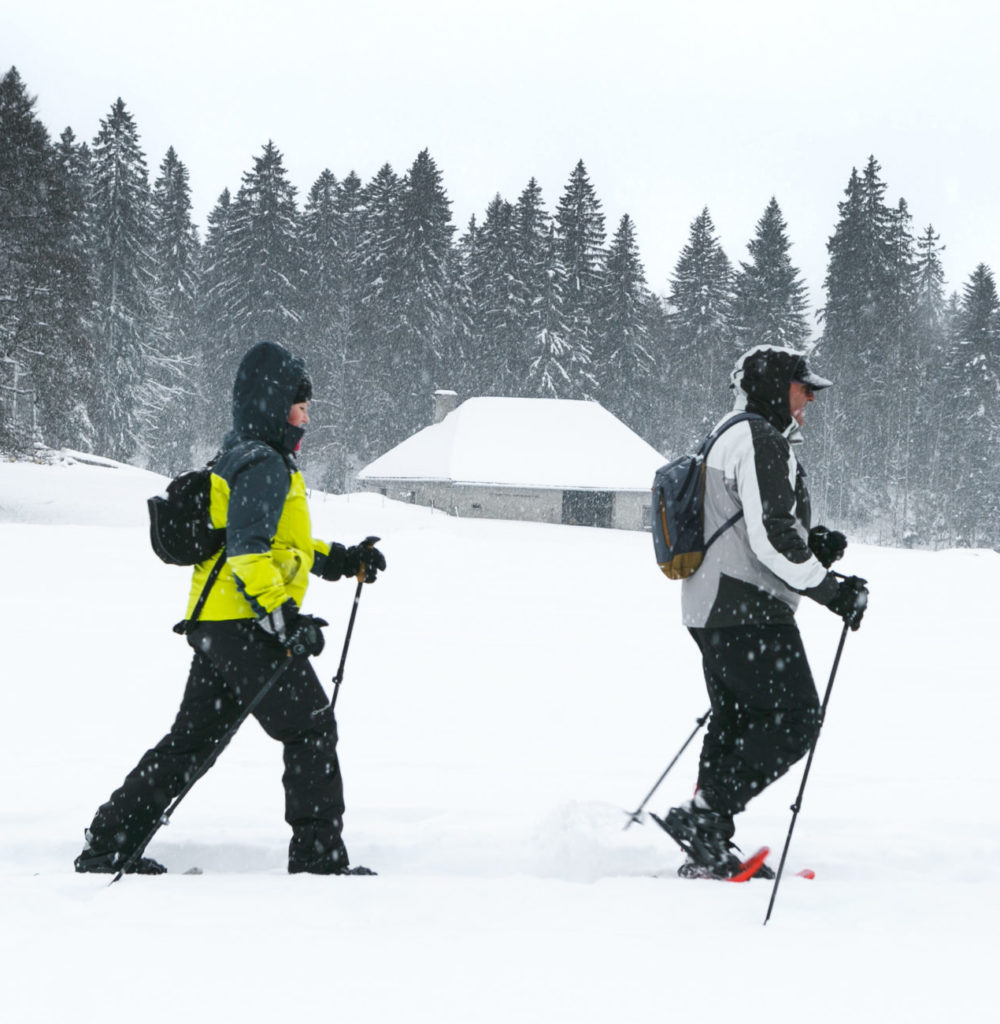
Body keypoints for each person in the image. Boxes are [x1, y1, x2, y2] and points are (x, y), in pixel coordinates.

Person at [75, 340, 386, 876]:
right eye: (300, 404)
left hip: (219, 626)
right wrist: (282, 619)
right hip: (246, 627)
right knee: (311, 729)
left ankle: (109, 842)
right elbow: (247, 552)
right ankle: (318, 859)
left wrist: (341, 560)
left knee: (190, 743)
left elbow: (280, 544)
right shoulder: (264, 463)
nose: (307, 416)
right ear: (273, 404)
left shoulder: (244, 455)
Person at [653, 345, 868, 879]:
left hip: (713, 606)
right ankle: (704, 819)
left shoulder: (728, 435)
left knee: (736, 721)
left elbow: (755, 526)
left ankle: (706, 838)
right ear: (775, 387)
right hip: (746, 604)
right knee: (795, 720)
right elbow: (770, 539)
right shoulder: (758, 437)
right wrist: (832, 591)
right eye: (804, 388)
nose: (811, 399)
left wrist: (813, 544)